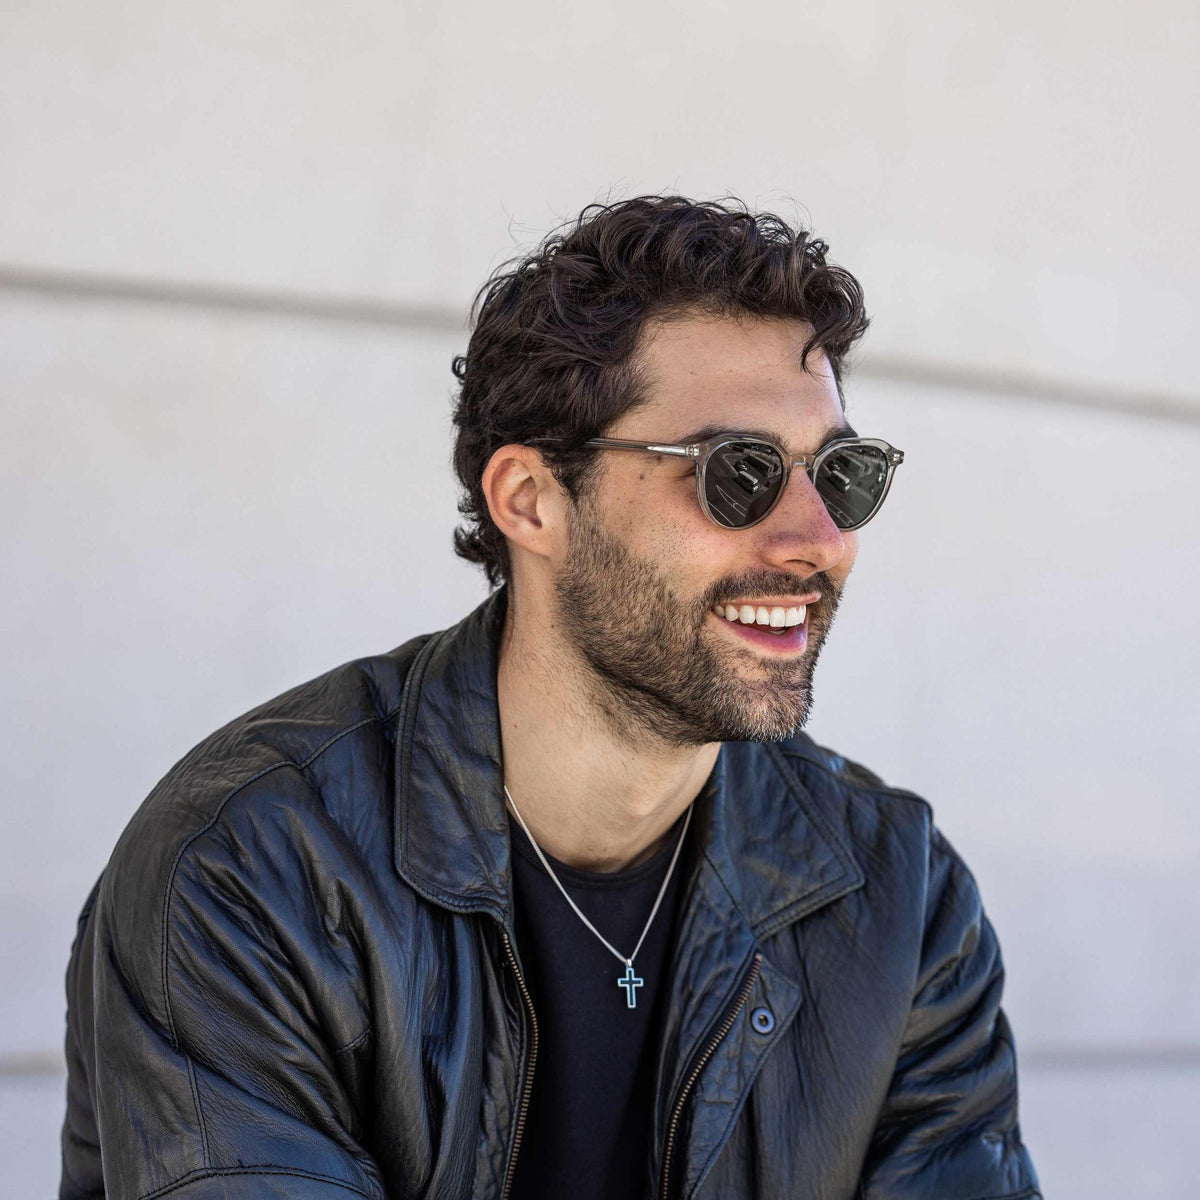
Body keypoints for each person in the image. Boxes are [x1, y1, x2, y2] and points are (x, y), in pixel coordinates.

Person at [59, 195, 1042, 1199]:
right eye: (736, 474)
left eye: (843, 475)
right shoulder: (257, 864)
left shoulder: (897, 900)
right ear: (530, 499)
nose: (817, 539)